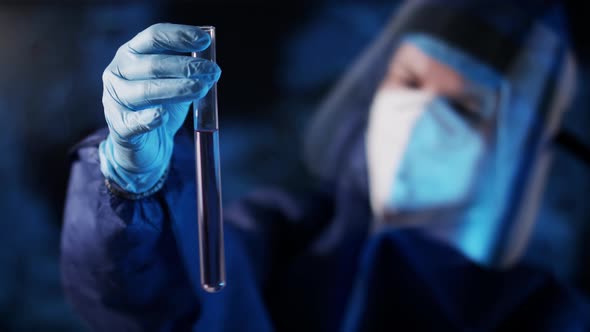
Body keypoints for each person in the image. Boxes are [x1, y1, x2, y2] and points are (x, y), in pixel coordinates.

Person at [61, 1, 590, 331]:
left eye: (465, 107)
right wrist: (131, 182)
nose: (418, 117)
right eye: (408, 82)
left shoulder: (537, 314)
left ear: (517, 149)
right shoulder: (283, 235)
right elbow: (157, 302)